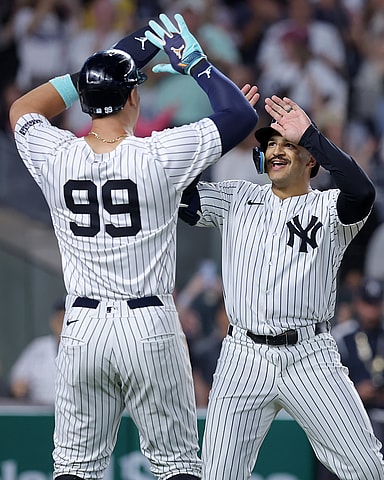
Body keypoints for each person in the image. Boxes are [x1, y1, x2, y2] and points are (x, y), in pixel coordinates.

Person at [9, 12, 258, 480]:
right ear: (133, 97)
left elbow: (22, 110)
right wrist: (198, 65)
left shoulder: (55, 153)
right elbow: (241, 116)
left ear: (85, 100)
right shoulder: (160, 153)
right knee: (177, 465)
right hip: (149, 324)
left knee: (74, 469)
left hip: (81, 328)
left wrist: (92, 76)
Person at [178, 94, 384, 479]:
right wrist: (227, 121)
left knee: (367, 468)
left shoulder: (329, 209)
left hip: (310, 356)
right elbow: (176, 188)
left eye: (288, 145)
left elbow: (363, 193)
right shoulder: (237, 197)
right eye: (270, 144)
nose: (275, 150)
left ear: (311, 162)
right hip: (244, 356)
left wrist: (310, 134)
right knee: (219, 475)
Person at [333, 277, 384, 454]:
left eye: (376, 305)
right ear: (356, 303)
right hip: (352, 415)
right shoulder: (342, 335)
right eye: (366, 304)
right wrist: (354, 391)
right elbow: (329, 378)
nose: (371, 312)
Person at [9, 298, 65, 404]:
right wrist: (19, 388)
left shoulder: (85, 349)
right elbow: (16, 384)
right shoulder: (38, 348)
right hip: (40, 410)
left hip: (75, 412)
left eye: (65, 319)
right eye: (59, 319)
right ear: (52, 321)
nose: (61, 324)